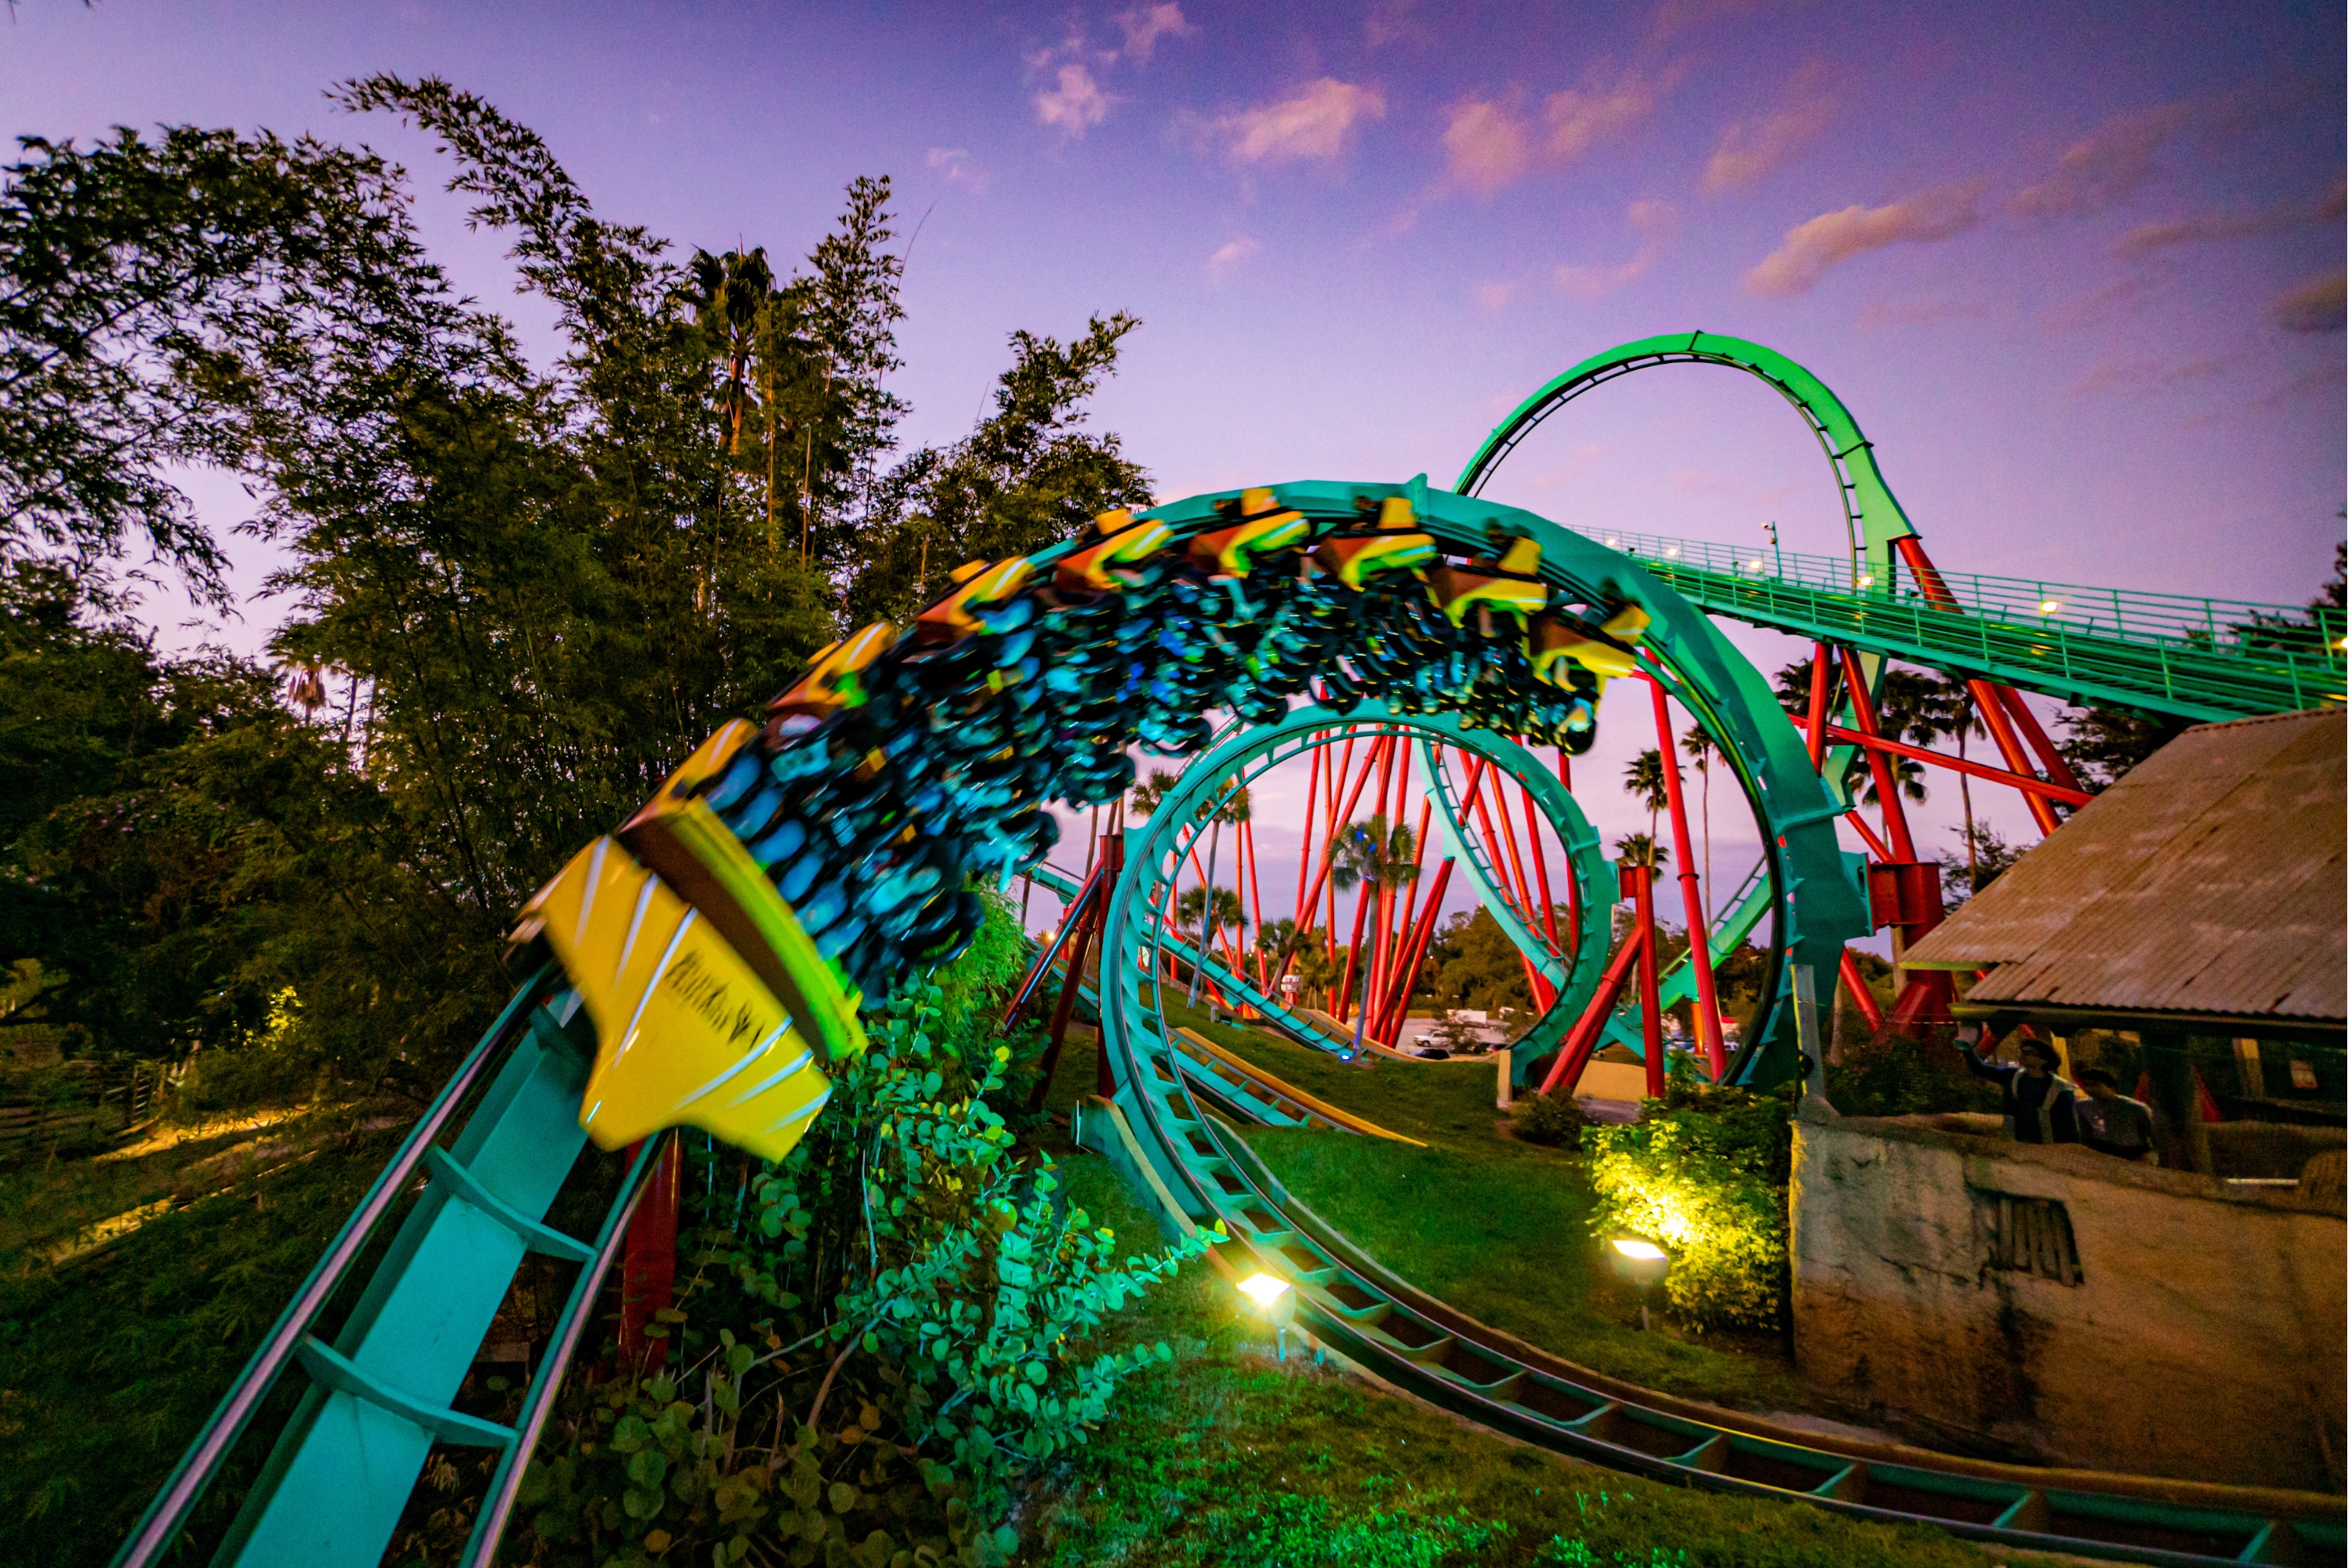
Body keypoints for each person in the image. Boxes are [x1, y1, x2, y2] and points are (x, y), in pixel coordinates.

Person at [1955, 1022, 2078, 1145]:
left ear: (2044, 1060)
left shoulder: (2061, 1089)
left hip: (2048, 1150)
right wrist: (1967, 1048)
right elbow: (1980, 1070)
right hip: (2014, 1145)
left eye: (2030, 1053)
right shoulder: (2013, 1076)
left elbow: (2069, 1128)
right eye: (2022, 1051)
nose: (2023, 1054)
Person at [2072, 1066, 2156, 1162]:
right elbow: (2085, 1134)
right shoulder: (2083, 1106)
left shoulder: (2135, 1108)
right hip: (2099, 1153)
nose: (2090, 1089)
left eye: (2095, 1085)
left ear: (2111, 1086)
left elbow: (2152, 1136)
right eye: (2086, 1084)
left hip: (2131, 1154)